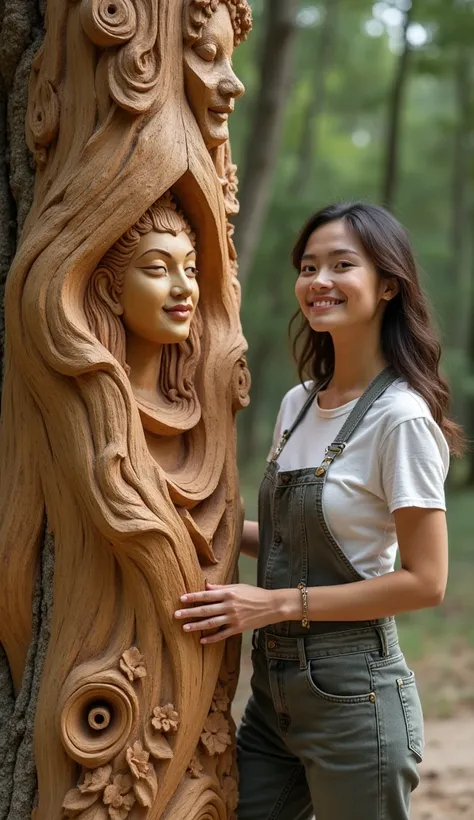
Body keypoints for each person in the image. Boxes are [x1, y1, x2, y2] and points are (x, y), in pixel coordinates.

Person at [174, 202, 463, 819]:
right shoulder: (298, 403)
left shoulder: (402, 419)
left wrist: (273, 603)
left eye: (341, 264)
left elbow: (426, 581)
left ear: (388, 284)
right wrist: (187, 528)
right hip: (274, 694)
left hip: (355, 695)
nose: (319, 280)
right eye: (309, 266)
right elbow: (289, 540)